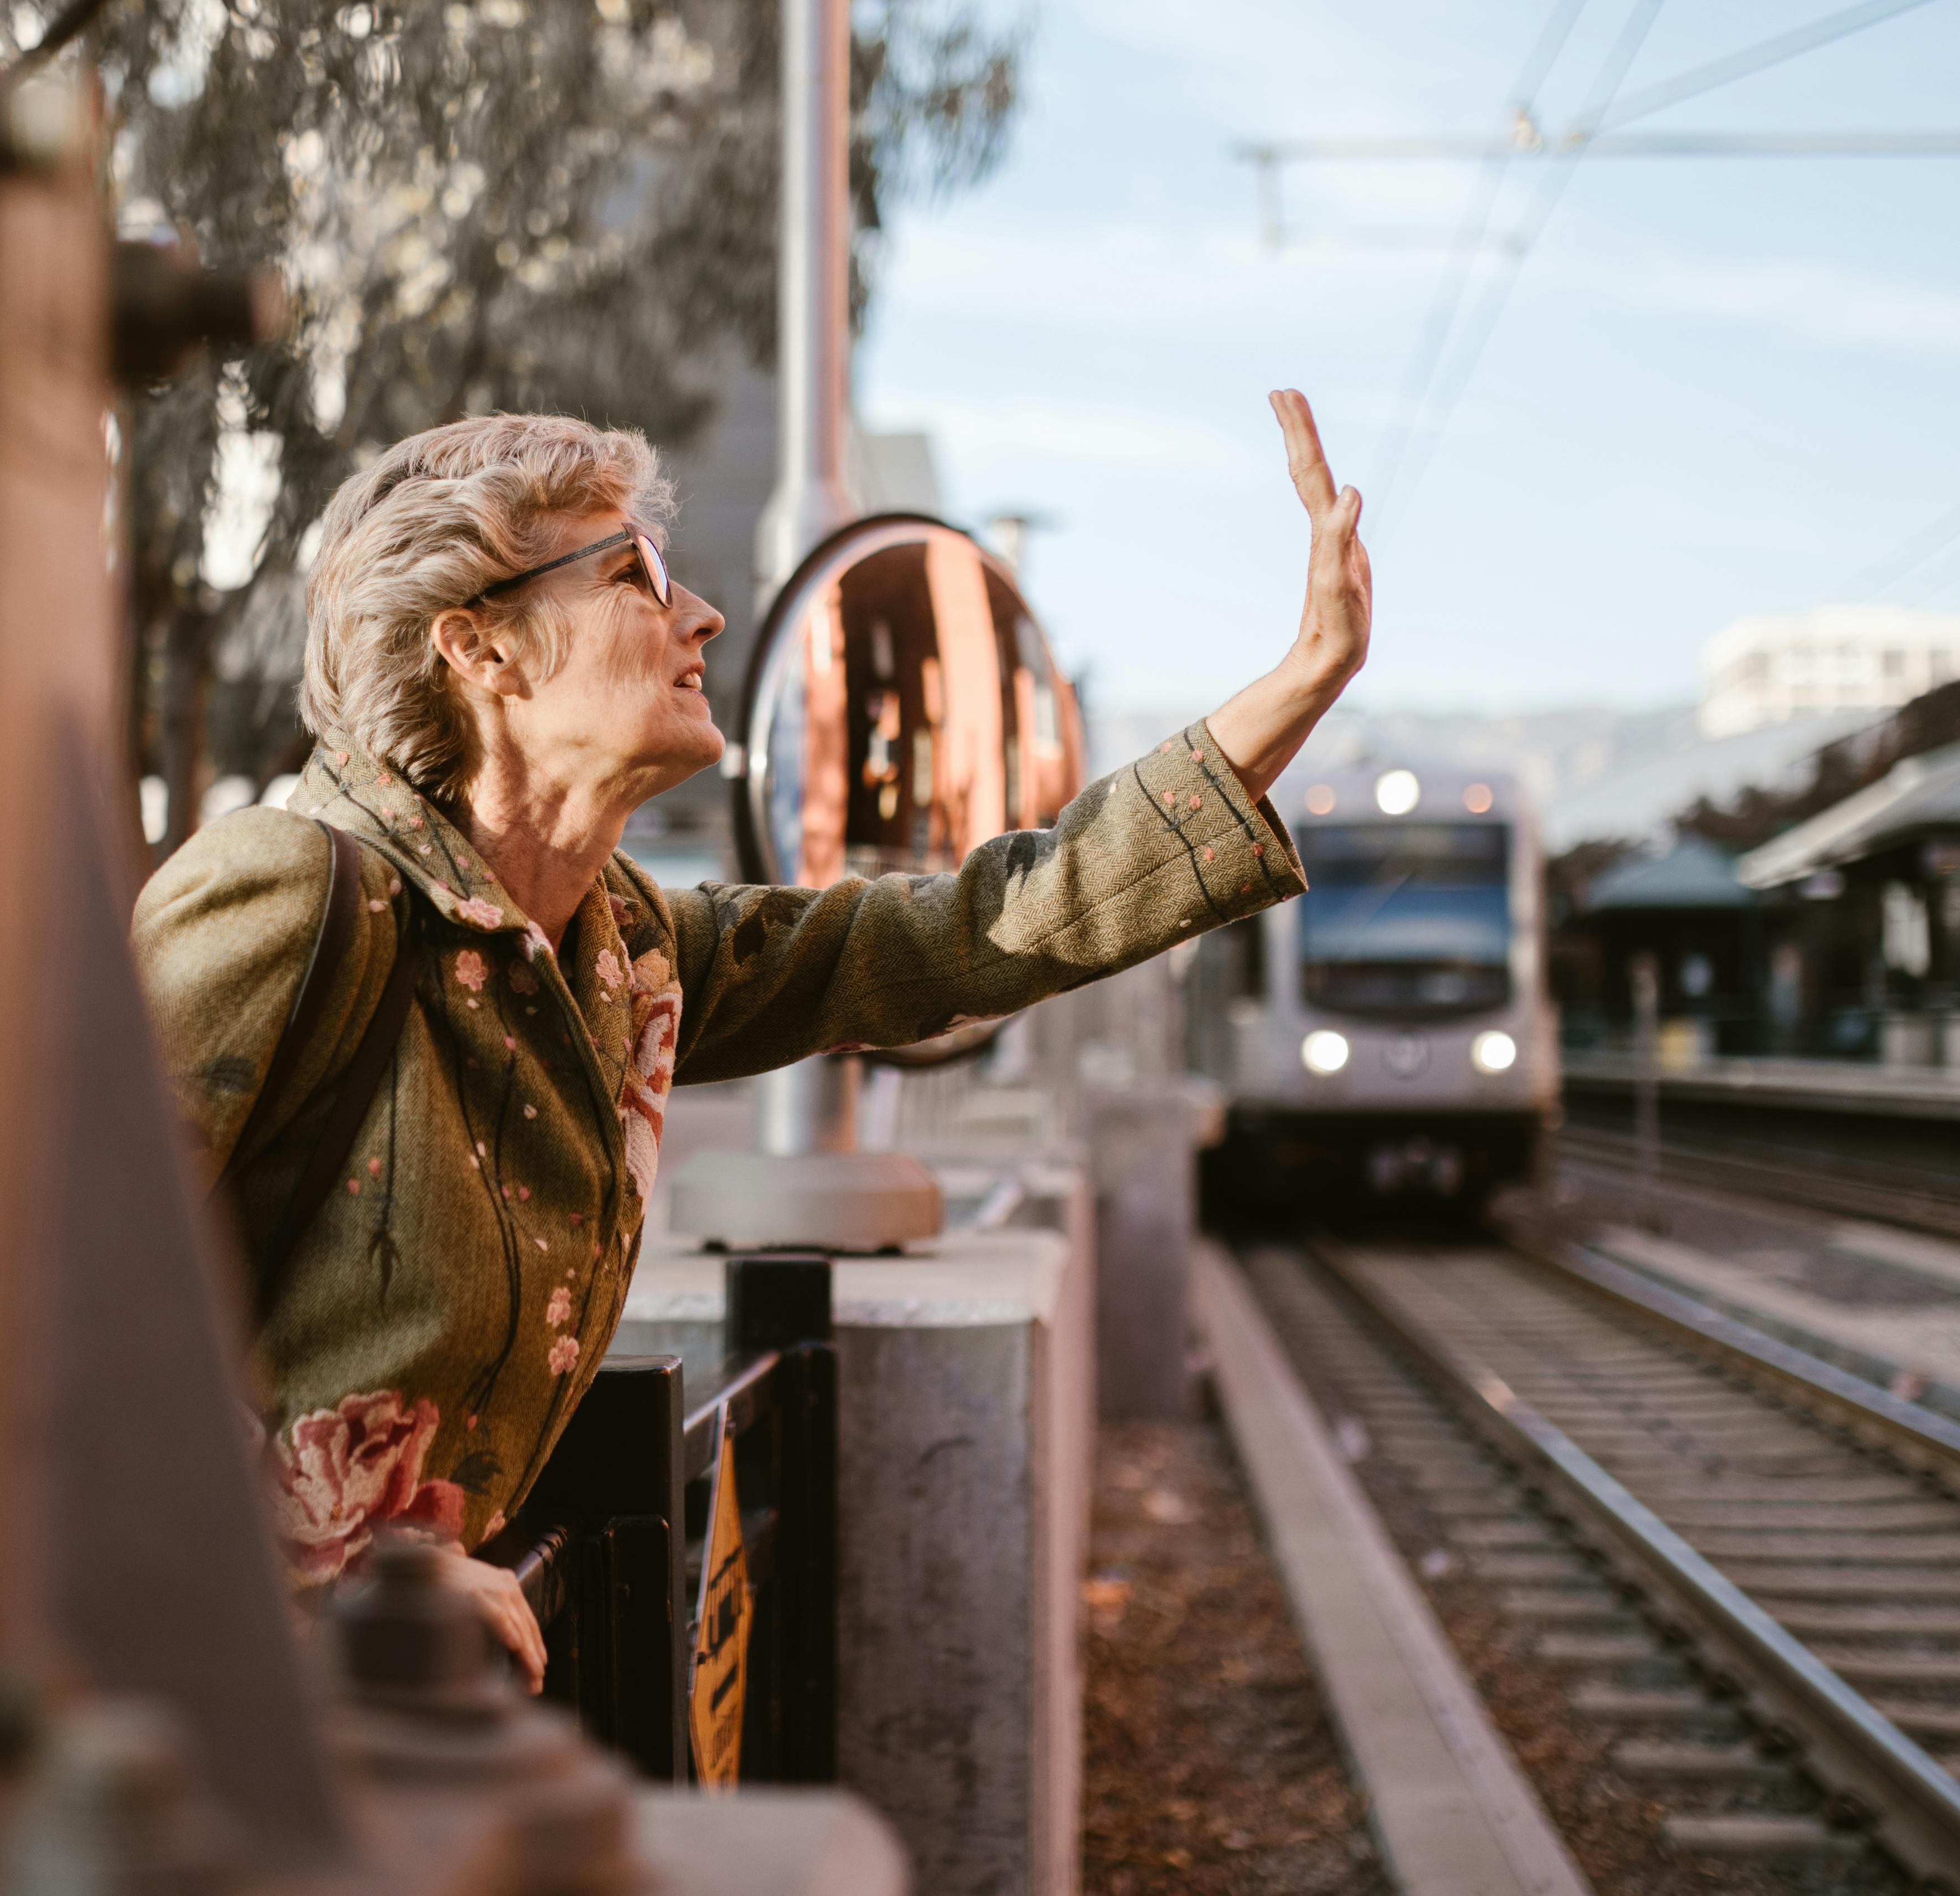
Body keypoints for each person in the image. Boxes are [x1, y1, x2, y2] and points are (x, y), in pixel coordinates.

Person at [135, 389, 1371, 1687]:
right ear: (479, 649)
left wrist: (1296, 688)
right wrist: (325, 1559)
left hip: (396, 1712)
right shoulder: (292, 894)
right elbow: (18, 1290)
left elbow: (966, 930)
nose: (701, 615)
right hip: (190, 1705)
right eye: (632, 573)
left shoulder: (620, 949)